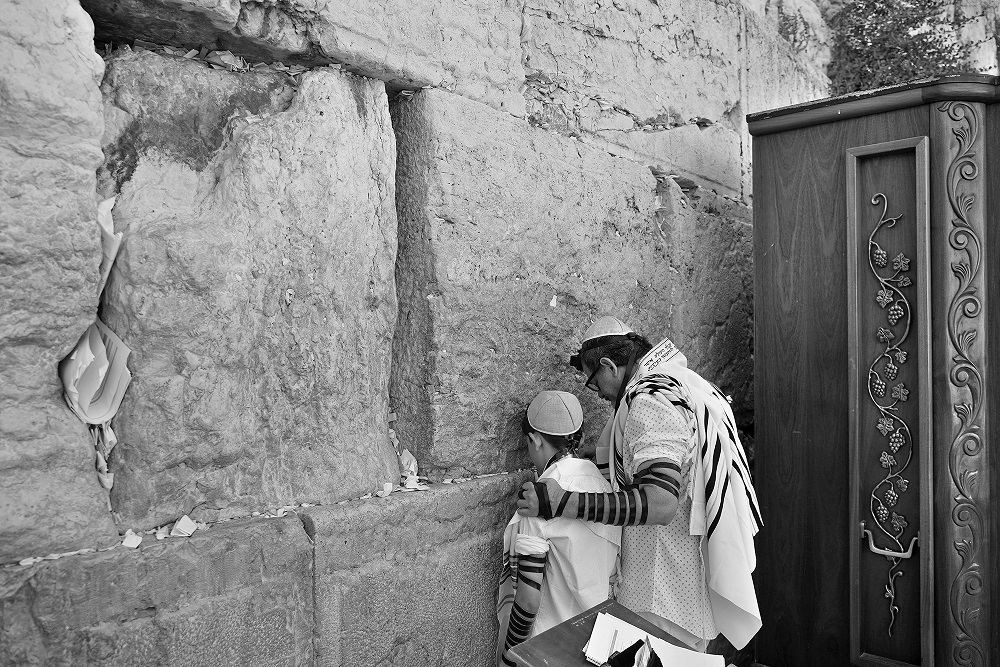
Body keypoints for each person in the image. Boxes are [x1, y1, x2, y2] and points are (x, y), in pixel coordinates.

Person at [517, 316, 762, 653]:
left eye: (593, 381)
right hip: (676, 593)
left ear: (608, 366)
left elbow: (661, 503)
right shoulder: (676, 383)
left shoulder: (648, 401)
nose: (599, 393)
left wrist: (563, 501)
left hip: (663, 595)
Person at [496, 390, 621, 666]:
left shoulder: (538, 501)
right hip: (593, 648)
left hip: (546, 650)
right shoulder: (606, 493)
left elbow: (528, 601)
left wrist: (510, 658)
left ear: (535, 440)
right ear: (582, 438)